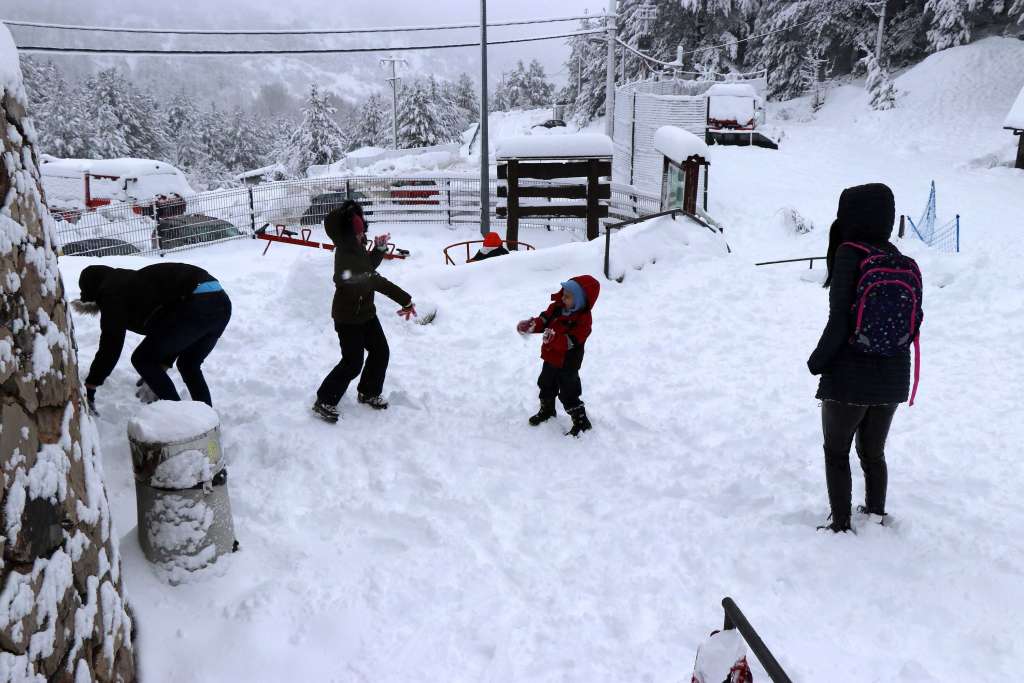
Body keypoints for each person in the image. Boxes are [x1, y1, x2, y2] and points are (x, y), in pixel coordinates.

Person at [807, 183, 922, 533]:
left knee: (837, 452)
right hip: (893, 376)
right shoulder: (898, 258)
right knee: (873, 453)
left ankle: (841, 524)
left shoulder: (848, 254)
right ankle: (875, 515)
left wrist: (818, 361)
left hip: (849, 377)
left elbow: (840, 319)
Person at [74, 262, 232, 411]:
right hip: (220, 302)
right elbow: (170, 326)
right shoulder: (134, 285)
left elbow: (111, 344)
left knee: (142, 359)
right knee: (188, 365)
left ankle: (182, 423)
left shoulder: (111, 292)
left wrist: (91, 384)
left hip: (196, 302)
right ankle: (208, 423)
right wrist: (160, 368)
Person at [313, 201, 415, 423]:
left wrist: (378, 250)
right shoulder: (345, 256)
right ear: (349, 235)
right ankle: (324, 400)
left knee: (381, 352)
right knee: (352, 362)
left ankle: (368, 392)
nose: (362, 237)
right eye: (358, 233)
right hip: (348, 318)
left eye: (363, 232)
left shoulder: (355, 248)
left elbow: (367, 269)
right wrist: (405, 299)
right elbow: (373, 280)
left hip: (366, 313)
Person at [517, 275, 601, 437]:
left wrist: (554, 338)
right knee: (545, 383)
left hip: (568, 363)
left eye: (568, 296)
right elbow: (544, 320)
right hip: (550, 357)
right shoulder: (557, 308)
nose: (563, 297)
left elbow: (571, 342)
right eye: (563, 293)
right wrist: (532, 325)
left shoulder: (583, 321)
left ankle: (581, 421)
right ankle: (547, 410)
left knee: (569, 392)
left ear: (580, 301)